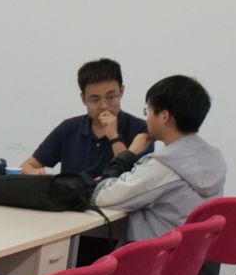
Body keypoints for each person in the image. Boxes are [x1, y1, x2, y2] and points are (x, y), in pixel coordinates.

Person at [94, 74, 226, 252]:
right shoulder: (214, 157)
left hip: (155, 261)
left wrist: (129, 154)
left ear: (164, 116)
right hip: (195, 260)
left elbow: (102, 197)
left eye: (148, 111)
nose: (147, 118)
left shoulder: (163, 165)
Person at [22, 58, 147, 178]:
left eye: (111, 97)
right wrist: (35, 173)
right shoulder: (68, 129)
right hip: (73, 193)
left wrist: (114, 137)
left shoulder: (140, 129)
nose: (104, 106)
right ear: (83, 99)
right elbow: (27, 166)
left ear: (121, 91)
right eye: (95, 100)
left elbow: (136, 180)